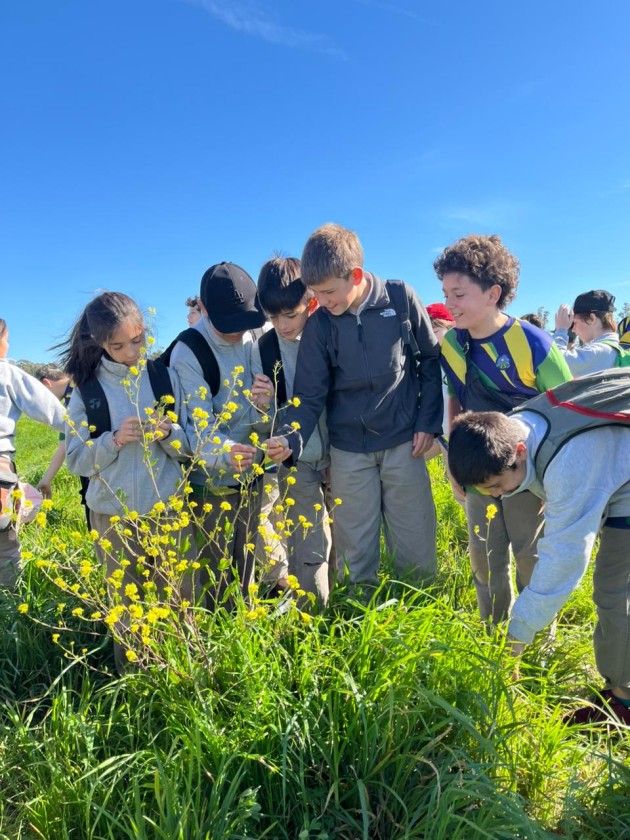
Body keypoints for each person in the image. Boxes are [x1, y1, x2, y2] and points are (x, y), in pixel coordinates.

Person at [446, 372, 630, 725]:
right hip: (614, 465)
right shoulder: (514, 426)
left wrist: (517, 634)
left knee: (615, 588)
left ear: (519, 452)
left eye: (499, 485)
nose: (497, 497)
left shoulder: (569, 461)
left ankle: (622, 705)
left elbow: (564, 558)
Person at [266, 223, 443, 587]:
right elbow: (309, 396)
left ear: (356, 275)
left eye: (329, 292)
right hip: (348, 452)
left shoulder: (400, 298)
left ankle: (420, 619)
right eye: (316, 294)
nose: (323, 302)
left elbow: (429, 361)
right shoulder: (319, 326)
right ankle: (360, 623)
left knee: (415, 549)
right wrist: (290, 438)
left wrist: (429, 423)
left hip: (404, 443)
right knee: (354, 556)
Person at [434, 234, 572, 623]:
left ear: (493, 292)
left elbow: (566, 410)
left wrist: (553, 479)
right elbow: (455, 404)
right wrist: (453, 463)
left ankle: (535, 644)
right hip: (477, 470)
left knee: (532, 557)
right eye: (445, 294)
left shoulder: (532, 342)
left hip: (528, 473)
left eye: (458, 294)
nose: (449, 305)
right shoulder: (451, 347)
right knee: (485, 560)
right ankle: (494, 637)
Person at [58, 292, 195, 671]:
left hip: (168, 508)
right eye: (117, 345)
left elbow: (189, 449)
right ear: (99, 343)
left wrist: (169, 434)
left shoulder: (163, 377)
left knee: (178, 597)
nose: (130, 351)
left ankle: (181, 675)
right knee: (126, 607)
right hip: (112, 517)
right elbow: (75, 459)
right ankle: (134, 683)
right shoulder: (87, 389)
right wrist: (113, 440)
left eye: (137, 341)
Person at [168, 262, 267, 606]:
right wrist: (228, 453)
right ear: (204, 310)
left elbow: (260, 409)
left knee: (248, 573)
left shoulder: (252, 334)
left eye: (246, 323)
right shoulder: (189, 351)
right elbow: (198, 427)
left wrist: (267, 404)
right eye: (229, 325)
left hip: (252, 475)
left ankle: (247, 634)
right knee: (215, 577)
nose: (238, 332)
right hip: (209, 482)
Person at [251, 256, 334, 606]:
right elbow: (264, 417)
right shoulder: (265, 347)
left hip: (344, 452)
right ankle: (312, 616)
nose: (282, 325)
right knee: (307, 545)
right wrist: (265, 402)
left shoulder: (331, 330)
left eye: (291, 314)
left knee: (349, 540)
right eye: (273, 317)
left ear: (310, 302)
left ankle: (345, 614)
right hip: (296, 460)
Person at [1, 319, 66, 591]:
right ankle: (7, 608)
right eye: (7, 339)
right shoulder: (6, 373)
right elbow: (55, 412)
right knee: (4, 545)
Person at [553, 289, 620, 375]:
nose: (573, 329)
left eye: (575, 323)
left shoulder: (600, 352)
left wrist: (561, 331)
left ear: (592, 319)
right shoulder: (613, 350)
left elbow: (555, 364)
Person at [32, 365, 73, 500]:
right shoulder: (67, 401)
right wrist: (46, 480)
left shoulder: (79, 388)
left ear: (46, 383)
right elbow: (64, 444)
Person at [424, 303, 455, 461]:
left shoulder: (462, 357)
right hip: (444, 434)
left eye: (435, 331)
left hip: (464, 435)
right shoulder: (432, 362)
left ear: (450, 327)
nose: (430, 338)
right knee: (455, 484)